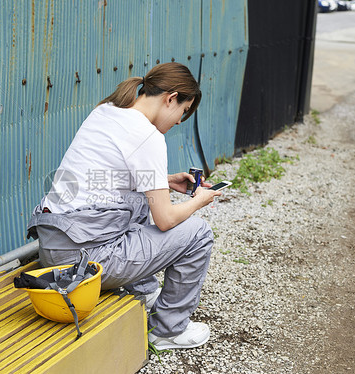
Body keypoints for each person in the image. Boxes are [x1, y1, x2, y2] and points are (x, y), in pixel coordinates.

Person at [27, 62, 221, 349]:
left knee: (138, 199)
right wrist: (199, 201)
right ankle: (168, 331)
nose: (180, 121)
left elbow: (109, 177)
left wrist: (165, 181)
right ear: (171, 99)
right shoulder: (148, 136)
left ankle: (144, 292)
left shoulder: (107, 111)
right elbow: (166, 219)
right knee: (198, 233)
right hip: (84, 260)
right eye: (183, 111)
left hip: (55, 244)